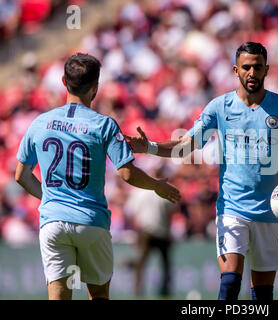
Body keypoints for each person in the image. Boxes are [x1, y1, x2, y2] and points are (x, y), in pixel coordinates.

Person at [125, 42, 278, 300]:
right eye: (246, 67)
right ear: (235, 70)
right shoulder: (220, 107)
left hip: (270, 212)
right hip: (232, 209)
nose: (252, 73)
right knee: (230, 282)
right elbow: (186, 145)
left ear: (266, 69)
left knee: (263, 295)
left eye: (257, 67)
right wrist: (150, 147)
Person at [15, 53, 180, 300]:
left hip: (52, 222)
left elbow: (21, 176)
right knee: (99, 294)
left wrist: (50, 198)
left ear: (63, 81)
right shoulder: (104, 125)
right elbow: (126, 173)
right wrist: (156, 185)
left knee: (58, 295)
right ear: (96, 87)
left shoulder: (40, 123)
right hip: (90, 221)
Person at [124, 165, 178, 298]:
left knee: (141, 264)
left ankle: (138, 292)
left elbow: (130, 212)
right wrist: (170, 232)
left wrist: (136, 231)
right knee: (165, 265)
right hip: (162, 232)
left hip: (145, 231)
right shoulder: (167, 188)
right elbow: (170, 213)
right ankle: (165, 292)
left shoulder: (139, 190)